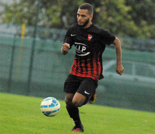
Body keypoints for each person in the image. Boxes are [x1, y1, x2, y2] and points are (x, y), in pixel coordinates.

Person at [61, 3, 124, 132]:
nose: (79, 18)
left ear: (91, 16)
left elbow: (117, 41)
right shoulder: (73, 30)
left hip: (91, 72)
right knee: (68, 100)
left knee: (77, 101)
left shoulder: (99, 32)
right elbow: (66, 47)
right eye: (78, 15)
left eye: (83, 16)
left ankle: (90, 94)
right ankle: (78, 125)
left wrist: (119, 64)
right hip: (76, 70)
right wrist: (65, 48)